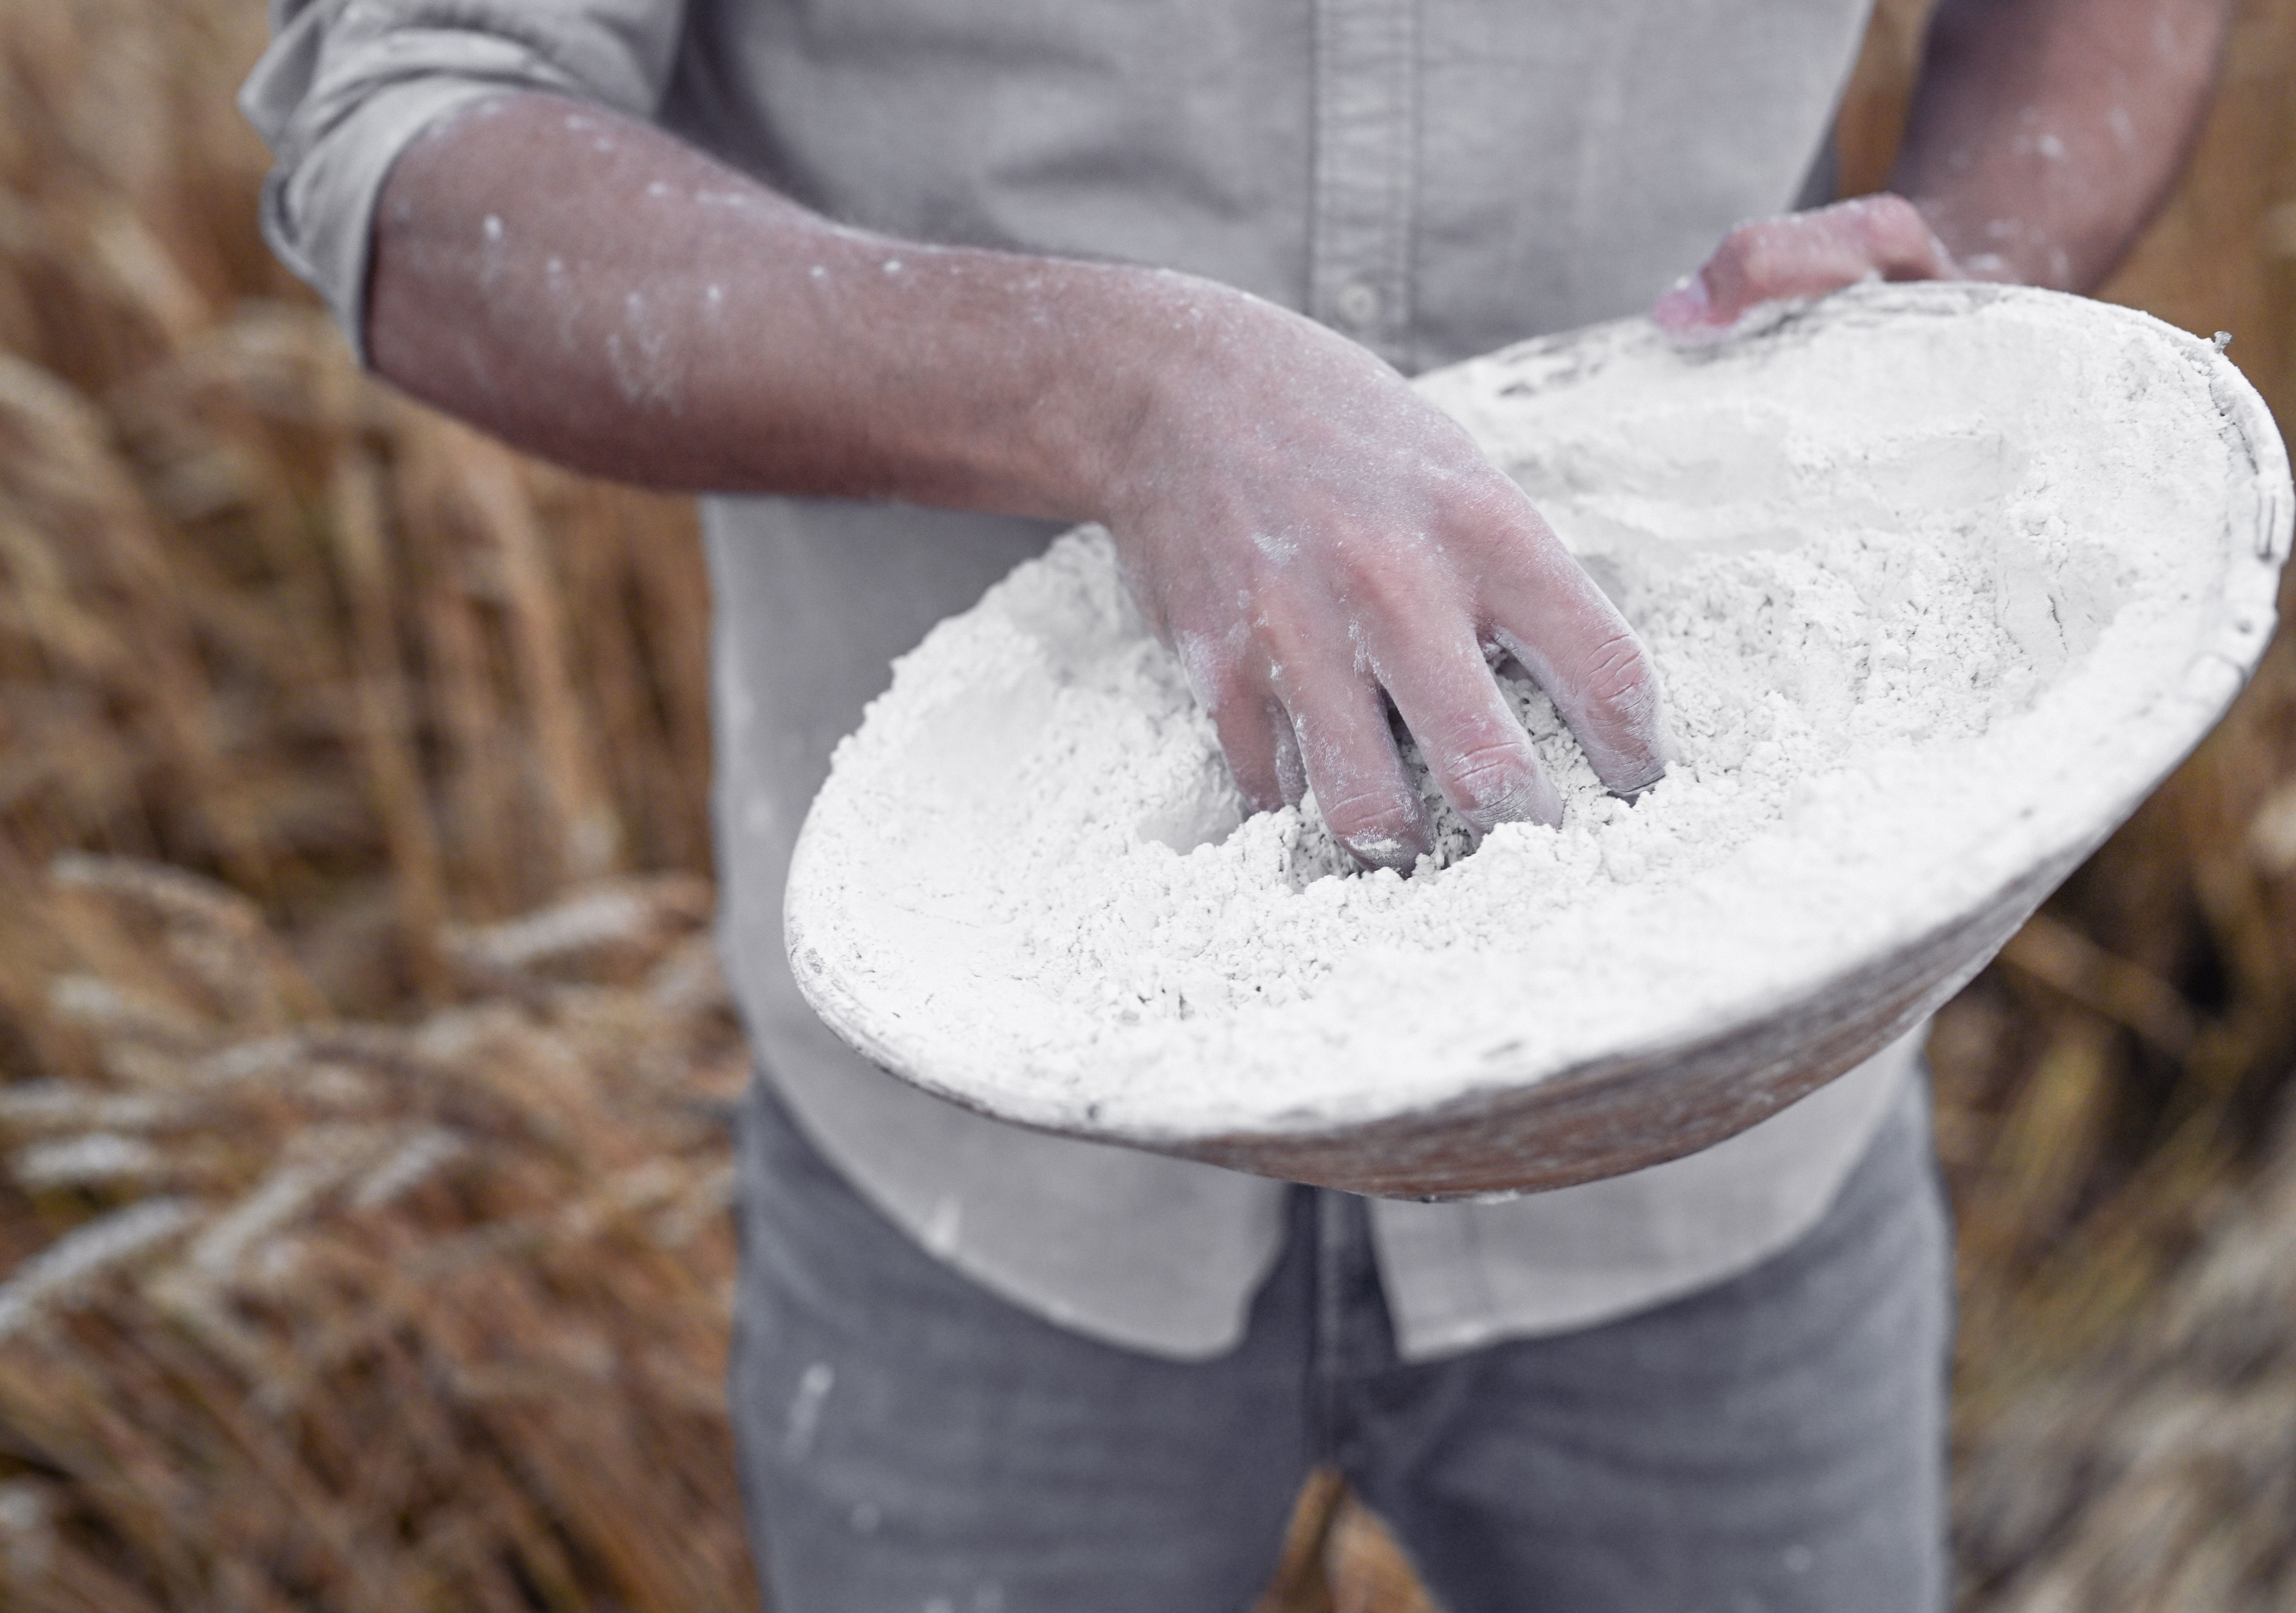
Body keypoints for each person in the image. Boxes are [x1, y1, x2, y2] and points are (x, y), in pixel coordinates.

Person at [243, 1, 2233, 1606]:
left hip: (1724, 1135)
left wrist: (1970, 276)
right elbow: (422, 135)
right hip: (988, 1161)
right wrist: (1102, 387)